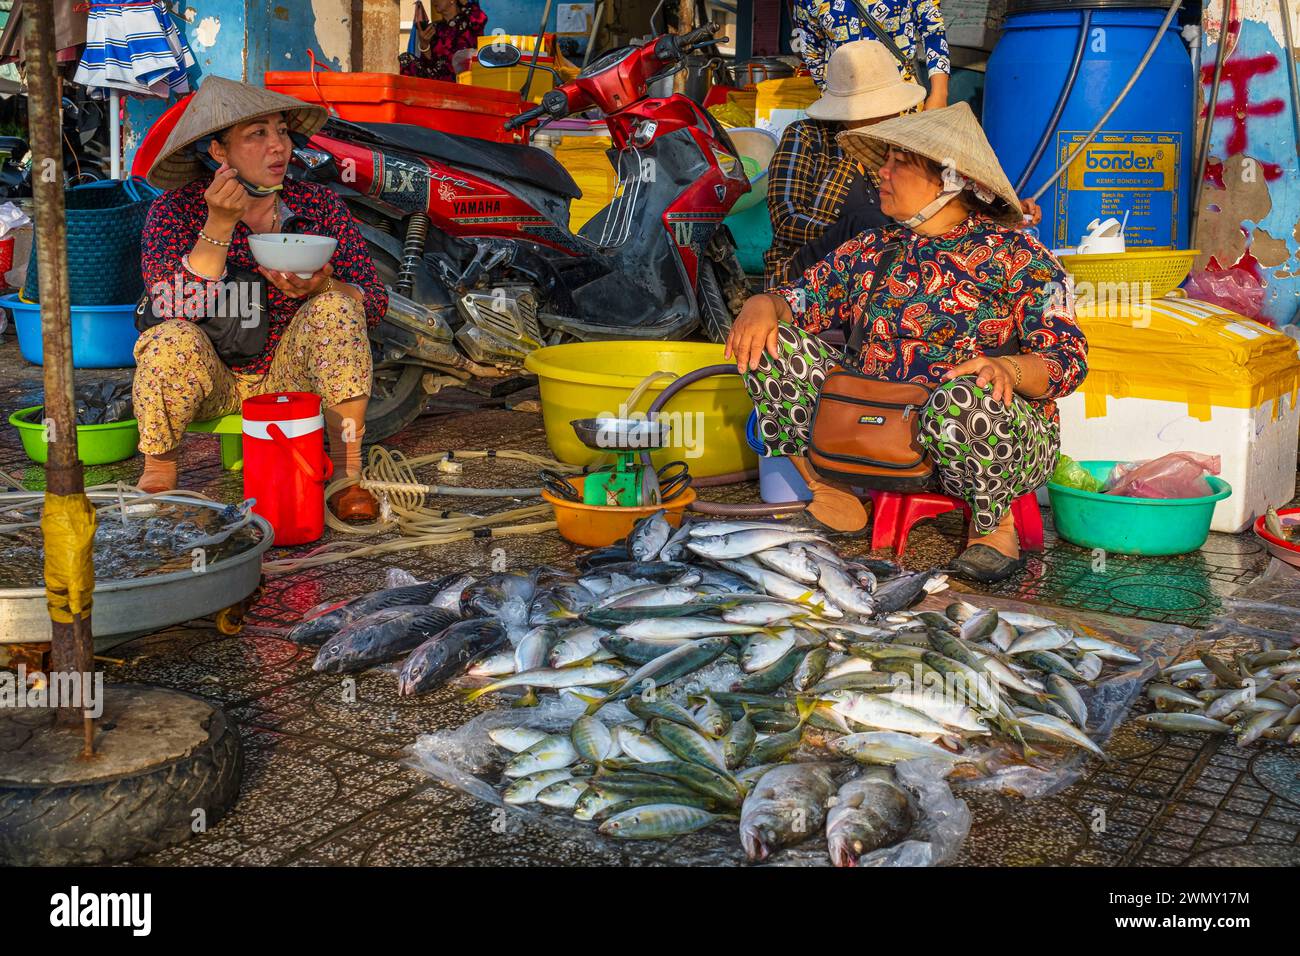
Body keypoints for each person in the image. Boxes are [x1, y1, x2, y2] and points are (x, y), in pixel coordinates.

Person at [726, 103, 1088, 583]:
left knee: (969, 394)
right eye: (886, 159)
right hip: (878, 428)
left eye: (900, 162)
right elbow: (800, 299)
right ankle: (831, 492)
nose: (883, 171)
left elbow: (1067, 358)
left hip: (985, 432)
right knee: (768, 346)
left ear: (949, 182)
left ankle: (993, 525)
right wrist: (762, 305)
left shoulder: (1022, 257)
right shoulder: (874, 248)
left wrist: (1009, 370)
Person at [136, 76, 388, 522]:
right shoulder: (174, 211)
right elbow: (173, 308)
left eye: (282, 131)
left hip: (292, 374)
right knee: (169, 338)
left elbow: (375, 302)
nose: (279, 147)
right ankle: (159, 469)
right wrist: (218, 224)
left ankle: (347, 474)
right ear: (218, 151)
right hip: (214, 376)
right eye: (258, 134)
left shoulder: (319, 206)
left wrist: (323, 287)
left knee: (336, 308)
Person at [765, 40, 924, 289]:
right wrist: (853, 234)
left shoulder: (898, 146)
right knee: (868, 222)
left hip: (877, 269)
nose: (888, 115)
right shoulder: (806, 136)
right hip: (805, 269)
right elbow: (785, 220)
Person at [793, 0, 950, 111]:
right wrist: (829, 93)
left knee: (900, 158)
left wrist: (939, 94)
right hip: (844, 108)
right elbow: (811, 50)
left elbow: (933, 29)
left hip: (901, 101)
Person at [399, 0, 487, 82]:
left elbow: (480, 19)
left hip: (463, 79)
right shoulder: (435, 28)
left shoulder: (469, 20)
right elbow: (429, 63)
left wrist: (464, 2)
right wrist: (424, 44)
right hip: (439, 81)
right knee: (405, 59)